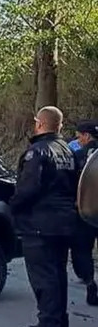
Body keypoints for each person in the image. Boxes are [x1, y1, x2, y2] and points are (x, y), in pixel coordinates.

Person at [11, 106, 79, 327]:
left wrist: (13, 207)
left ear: (39, 123)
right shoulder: (68, 151)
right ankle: (60, 321)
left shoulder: (37, 152)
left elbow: (29, 188)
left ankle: (49, 323)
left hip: (40, 222)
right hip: (65, 222)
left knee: (42, 274)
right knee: (58, 272)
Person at [71, 120, 98, 305]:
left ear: (87, 136)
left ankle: (90, 283)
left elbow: (72, 184)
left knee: (82, 249)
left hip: (85, 211)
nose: (78, 139)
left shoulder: (79, 156)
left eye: (79, 135)